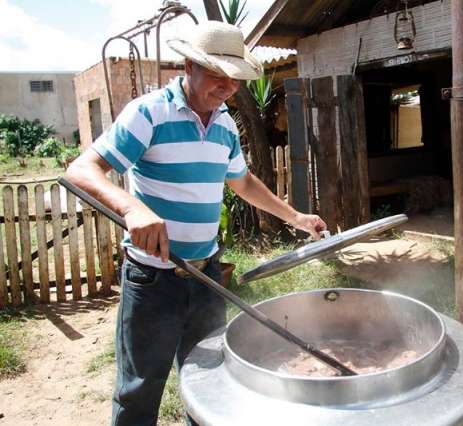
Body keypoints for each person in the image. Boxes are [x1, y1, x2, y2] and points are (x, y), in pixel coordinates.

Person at [64, 21, 327, 426]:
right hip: (153, 280)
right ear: (188, 66)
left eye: (234, 78)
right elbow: (82, 170)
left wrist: (294, 217)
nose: (226, 87)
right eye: (216, 74)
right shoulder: (149, 113)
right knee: (139, 390)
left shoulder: (224, 126)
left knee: (209, 384)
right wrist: (133, 209)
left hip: (207, 277)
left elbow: (242, 182)